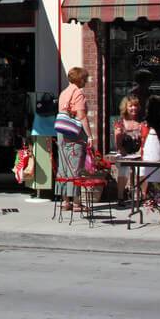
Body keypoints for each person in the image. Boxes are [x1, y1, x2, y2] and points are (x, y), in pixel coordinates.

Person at [55, 67, 93, 213]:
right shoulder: (78, 93)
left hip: (61, 132)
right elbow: (81, 116)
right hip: (74, 134)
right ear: (80, 79)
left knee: (63, 167)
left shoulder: (64, 92)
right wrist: (89, 135)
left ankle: (65, 202)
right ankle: (76, 202)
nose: (86, 81)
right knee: (75, 167)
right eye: (85, 78)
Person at [113, 94, 147, 202]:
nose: (134, 108)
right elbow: (118, 144)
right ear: (125, 107)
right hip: (124, 153)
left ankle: (142, 196)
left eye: (135, 105)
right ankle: (120, 197)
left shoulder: (142, 122)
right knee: (123, 170)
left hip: (138, 153)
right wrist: (126, 155)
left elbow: (144, 141)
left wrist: (138, 153)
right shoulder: (120, 122)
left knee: (142, 169)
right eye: (131, 106)